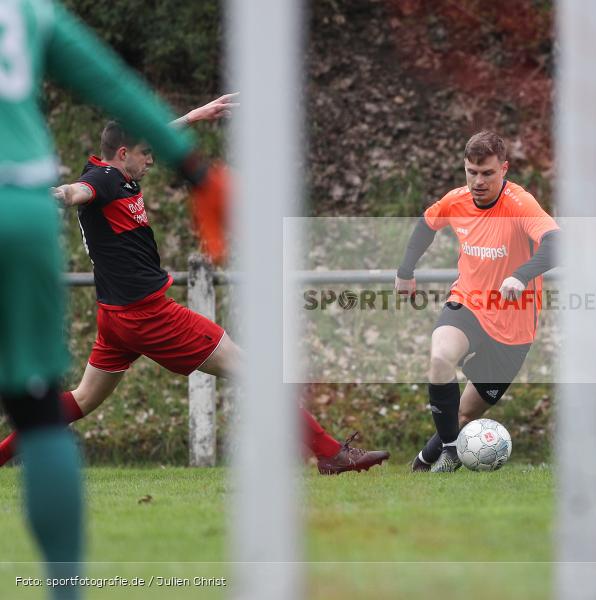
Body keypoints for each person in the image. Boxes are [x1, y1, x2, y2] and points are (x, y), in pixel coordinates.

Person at [0, 107, 388, 475]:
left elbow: (143, 142)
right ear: (123, 153)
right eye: (145, 154)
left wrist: (195, 115)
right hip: (148, 315)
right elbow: (74, 192)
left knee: (84, 397)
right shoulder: (101, 181)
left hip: (116, 317)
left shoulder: (112, 172)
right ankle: (330, 453)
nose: (152, 160)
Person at [0, 1, 226, 597]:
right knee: (39, 408)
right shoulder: (26, 12)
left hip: (49, 223)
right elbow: (114, 89)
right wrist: (198, 172)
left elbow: (126, 143)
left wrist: (193, 117)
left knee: (72, 401)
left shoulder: (116, 170)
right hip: (22, 205)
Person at [396, 130, 560, 472]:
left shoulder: (520, 204)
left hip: (513, 328)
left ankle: (423, 463)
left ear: (504, 169)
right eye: (472, 172)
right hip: (467, 305)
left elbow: (556, 243)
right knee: (440, 357)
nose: (478, 181)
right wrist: (406, 271)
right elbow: (426, 224)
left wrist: (521, 275)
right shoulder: (455, 200)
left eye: (487, 173)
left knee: (464, 414)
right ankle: (452, 452)